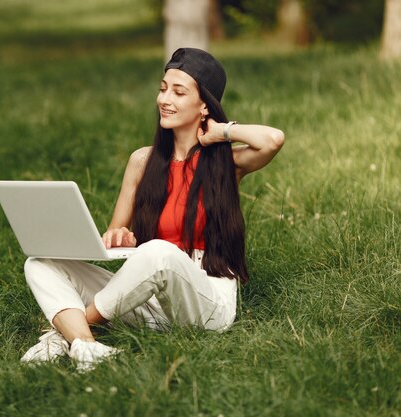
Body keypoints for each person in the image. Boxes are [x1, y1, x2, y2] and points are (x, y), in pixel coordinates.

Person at [20, 48, 284, 371]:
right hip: (147, 297)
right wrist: (119, 236)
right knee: (39, 263)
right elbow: (114, 237)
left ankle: (64, 334)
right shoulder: (142, 162)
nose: (164, 99)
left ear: (204, 106)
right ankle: (87, 346)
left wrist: (222, 131)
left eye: (178, 91)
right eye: (162, 89)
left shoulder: (225, 162)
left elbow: (272, 139)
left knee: (159, 252)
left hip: (207, 301)